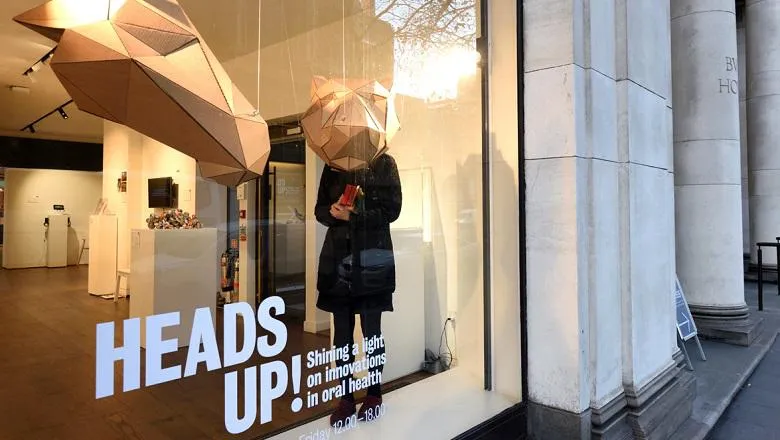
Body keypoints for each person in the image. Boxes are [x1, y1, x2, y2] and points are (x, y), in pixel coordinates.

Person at [314, 153, 402, 426]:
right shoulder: (333, 163)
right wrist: (333, 210)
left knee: (371, 331)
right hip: (338, 257)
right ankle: (346, 397)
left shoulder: (383, 163)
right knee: (341, 336)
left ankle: (374, 393)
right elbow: (319, 210)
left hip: (371, 258)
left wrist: (354, 212)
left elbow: (393, 210)